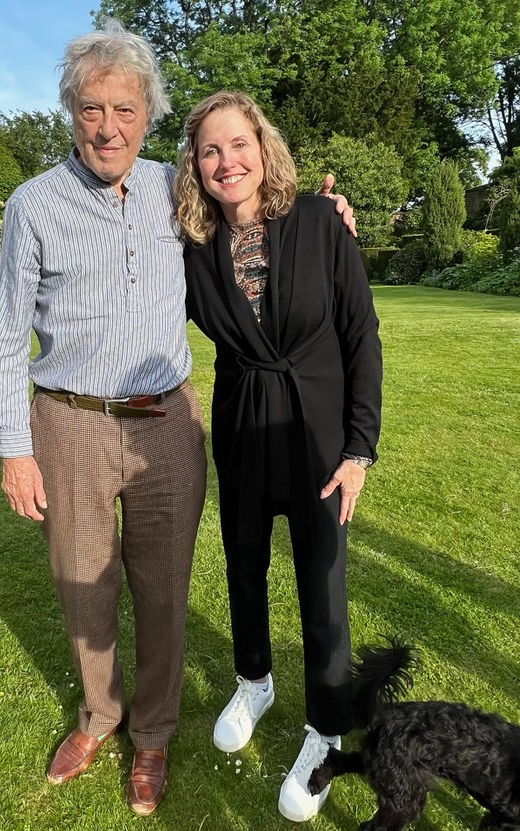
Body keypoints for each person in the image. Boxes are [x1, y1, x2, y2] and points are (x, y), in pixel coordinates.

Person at [0, 20, 355, 816]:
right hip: (70, 421)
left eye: (125, 109)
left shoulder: (171, 190)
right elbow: (7, 333)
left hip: (167, 423)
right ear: (70, 112)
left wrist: (325, 216)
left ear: (147, 115)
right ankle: (98, 717)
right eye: (92, 109)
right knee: (83, 587)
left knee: (163, 587)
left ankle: (150, 734)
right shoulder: (32, 205)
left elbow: (253, 220)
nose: (108, 127)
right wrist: (14, 448)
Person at [174, 91, 382, 823]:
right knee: (242, 563)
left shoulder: (323, 222)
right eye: (208, 150)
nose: (225, 161)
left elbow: (361, 336)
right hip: (241, 429)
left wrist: (359, 448)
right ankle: (253, 679)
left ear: (263, 149)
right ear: (194, 168)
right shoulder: (191, 247)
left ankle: (324, 731)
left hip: (322, 435)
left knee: (322, 585)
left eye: (237, 144)